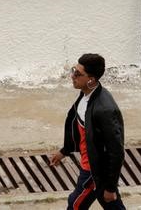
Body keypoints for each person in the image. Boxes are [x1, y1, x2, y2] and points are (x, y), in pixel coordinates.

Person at [49, 54, 125, 210]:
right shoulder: (86, 96)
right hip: (91, 165)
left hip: (93, 169)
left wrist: (110, 187)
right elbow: (79, 129)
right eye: (73, 71)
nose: (72, 76)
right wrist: (65, 151)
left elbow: (116, 150)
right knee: (112, 205)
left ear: (91, 79)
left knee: (75, 204)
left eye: (77, 74)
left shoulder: (105, 110)